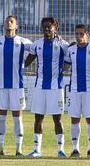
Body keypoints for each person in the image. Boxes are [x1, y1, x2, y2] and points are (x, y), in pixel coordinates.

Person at [0, 15, 32, 157]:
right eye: (7, 21)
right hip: (1, 86)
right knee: (1, 117)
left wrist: (25, 64)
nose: (8, 23)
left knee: (17, 117)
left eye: (11, 22)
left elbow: (37, 49)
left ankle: (18, 150)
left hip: (17, 86)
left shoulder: (23, 42)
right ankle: (0, 149)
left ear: (16, 25)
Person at [28, 17, 68, 158]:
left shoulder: (63, 44)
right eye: (44, 27)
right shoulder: (37, 44)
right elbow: (27, 61)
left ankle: (61, 149)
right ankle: (37, 149)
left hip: (56, 87)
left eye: (49, 27)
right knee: (38, 119)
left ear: (55, 28)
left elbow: (74, 52)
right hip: (40, 87)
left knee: (57, 119)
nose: (46, 29)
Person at [64, 23, 90, 157]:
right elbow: (65, 67)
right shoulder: (71, 50)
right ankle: (75, 149)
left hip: (89, 90)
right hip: (74, 89)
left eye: (82, 34)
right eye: (77, 34)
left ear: (87, 35)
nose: (79, 37)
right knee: (74, 119)